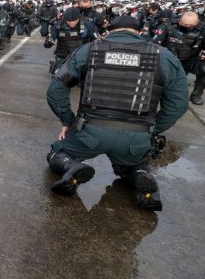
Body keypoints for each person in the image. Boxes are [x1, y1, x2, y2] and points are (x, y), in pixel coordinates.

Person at [45, 15, 189, 211]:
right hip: (136, 136)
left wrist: (68, 120)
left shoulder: (89, 50)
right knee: (133, 163)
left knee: (56, 154)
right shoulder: (164, 56)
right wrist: (152, 129)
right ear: (140, 32)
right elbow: (178, 104)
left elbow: (56, 88)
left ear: (109, 30)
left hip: (89, 132)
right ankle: (138, 173)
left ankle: (71, 166)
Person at [152, 11, 205, 105]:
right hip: (171, 58)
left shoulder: (202, 29)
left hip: (192, 57)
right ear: (180, 21)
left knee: (203, 70)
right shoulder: (168, 27)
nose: (188, 27)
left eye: (191, 25)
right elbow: (154, 44)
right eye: (185, 24)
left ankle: (196, 95)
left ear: (197, 22)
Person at [44, 7, 96, 73]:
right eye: (69, 20)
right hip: (62, 56)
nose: (71, 23)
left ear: (79, 17)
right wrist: (49, 42)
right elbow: (48, 43)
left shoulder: (87, 24)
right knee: (57, 78)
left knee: (83, 77)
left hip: (81, 57)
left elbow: (97, 40)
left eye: (74, 20)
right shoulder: (58, 25)